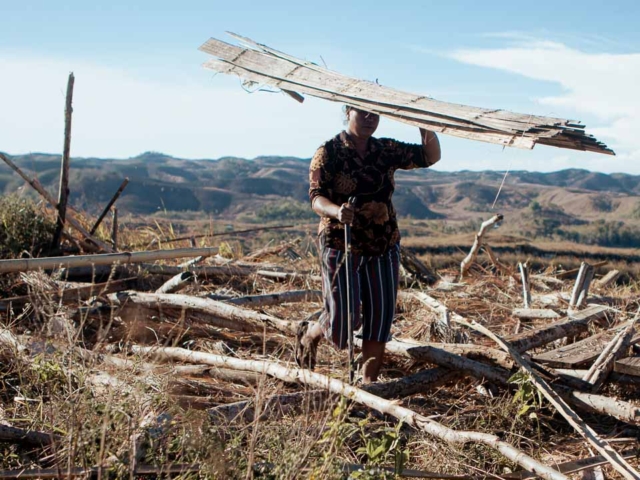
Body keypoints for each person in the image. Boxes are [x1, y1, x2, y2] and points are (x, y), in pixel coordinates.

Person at [296, 106, 442, 383]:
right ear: (348, 112)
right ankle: (311, 332)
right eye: (362, 112)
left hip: (383, 244)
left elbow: (429, 156)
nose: (369, 119)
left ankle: (368, 387)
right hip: (341, 244)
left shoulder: (385, 149)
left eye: (375, 113)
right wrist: (337, 210)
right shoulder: (329, 152)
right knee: (342, 324)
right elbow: (316, 197)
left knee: (379, 319)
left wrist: (423, 123)